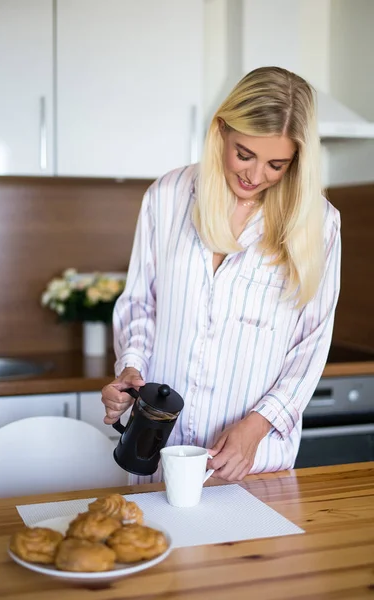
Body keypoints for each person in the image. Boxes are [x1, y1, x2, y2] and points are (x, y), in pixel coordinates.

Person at [102, 66, 341, 484]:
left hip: (252, 462)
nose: (254, 175)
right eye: (244, 154)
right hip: (158, 453)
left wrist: (259, 425)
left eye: (277, 164)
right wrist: (130, 369)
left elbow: (312, 340)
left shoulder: (319, 224)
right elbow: (141, 303)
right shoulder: (168, 195)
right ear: (221, 131)